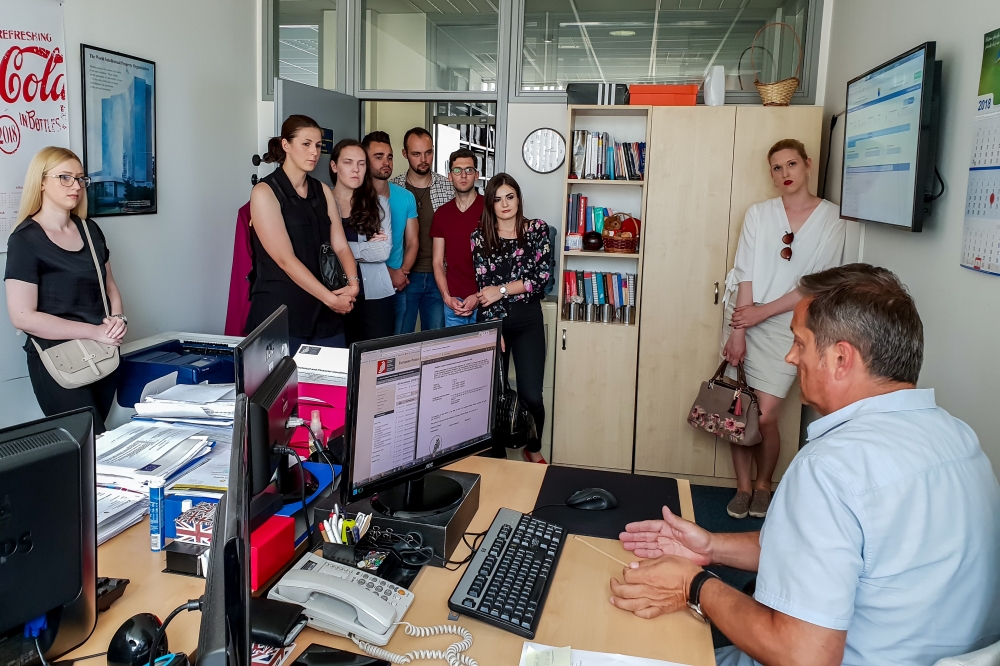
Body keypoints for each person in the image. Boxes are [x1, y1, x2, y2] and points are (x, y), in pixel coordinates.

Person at [615, 264, 1000, 666]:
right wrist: (712, 547)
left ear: (840, 358)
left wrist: (693, 586)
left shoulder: (829, 468)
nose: (790, 356)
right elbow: (836, 555)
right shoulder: (960, 439)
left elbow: (802, 656)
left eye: (800, 343)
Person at [720, 138, 846, 519]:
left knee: (765, 415)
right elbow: (744, 273)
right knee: (739, 409)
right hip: (745, 316)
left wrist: (761, 314)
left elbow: (815, 284)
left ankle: (764, 484)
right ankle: (743, 487)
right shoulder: (759, 214)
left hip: (790, 326)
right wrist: (740, 328)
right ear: (772, 175)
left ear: (807, 164)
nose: (785, 173)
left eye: (791, 164)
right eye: (777, 167)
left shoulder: (833, 218)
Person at [4, 147, 127, 432]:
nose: (76, 186)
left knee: (98, 445)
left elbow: (109, 285)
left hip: (102, 352)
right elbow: (22, 317)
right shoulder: (24, 240)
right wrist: (94, 331)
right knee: (91, 442)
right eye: (65, 177)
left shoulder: (90, 230)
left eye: (81, 178)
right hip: (57, 360)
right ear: (41, 182)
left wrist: (118, 320)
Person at [248, 115, 359, 354]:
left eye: (318, 145)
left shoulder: (323, 191)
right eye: (306, 144)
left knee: (334, 376)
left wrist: (353, 283)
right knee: (284, 379)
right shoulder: (265, 192)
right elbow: (285, 260)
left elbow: (340, 245)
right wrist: (332, 300)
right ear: (286, 145)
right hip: (283, 311)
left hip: (326, 312)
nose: (314, 152)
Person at [472, 173, 551, 463]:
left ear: (518, 198)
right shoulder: (480, 236)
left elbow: (541, 279)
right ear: (490, 204)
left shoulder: (537, 229)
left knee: (532, 396)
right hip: (494, 322)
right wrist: (495, 329)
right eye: (497, 199)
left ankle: (533, 447)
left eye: (510, 197)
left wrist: (502, 289)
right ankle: (499, 457)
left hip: (528, 319)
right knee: (493, 396)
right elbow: (484, 288)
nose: (505, 204)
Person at [330, 138, 394, 343]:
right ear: (334, 166)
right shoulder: (321, 203)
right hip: (334, 294)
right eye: (348, 162)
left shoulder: (379, 203)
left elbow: (383, 251)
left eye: (361, 163)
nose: (356, 169)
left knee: (376, 358)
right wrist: (365, 247)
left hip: (375, 296)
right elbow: (317, 251)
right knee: (339, 356)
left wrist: (338, 249)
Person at [391, 127, 454, 333]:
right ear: (405, 154)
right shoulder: (393, 188)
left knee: (435, 340)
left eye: (428, 152)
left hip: (439, 276)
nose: (424, 159)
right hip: (405, 275)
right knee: (401, 337)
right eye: (416, 154)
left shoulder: (447, 188)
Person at [362, 131, 419, 305]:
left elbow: (413, 242)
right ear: (365, 160)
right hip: (365, 283)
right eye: (378, 157)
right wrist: (390, 274)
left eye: (389, 157)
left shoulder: (406, 197)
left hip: (398, 285)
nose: (386, 162)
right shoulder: (356, 198)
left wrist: (401, 273)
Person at [431, 148, 483, 327]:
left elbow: (500, 260)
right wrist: (447, 297)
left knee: (487, 346)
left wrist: (478, 296)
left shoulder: (490, 210)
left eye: (469, 170)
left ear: (477, 175)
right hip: (454, 302)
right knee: (455, 346)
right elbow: (437, 262)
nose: (463, 175)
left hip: (485, 298)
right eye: (457, 170)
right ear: (449, 176)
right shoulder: (442, 214)